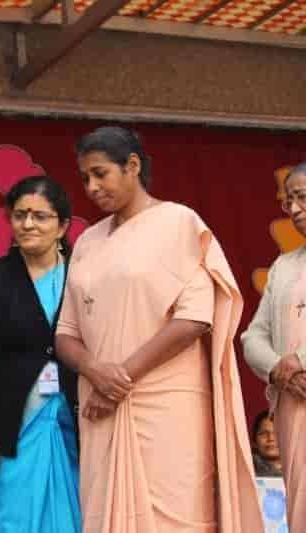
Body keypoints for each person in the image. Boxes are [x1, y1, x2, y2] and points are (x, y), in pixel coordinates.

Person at [55, 126, 262, 533]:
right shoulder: (88, 242)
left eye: (100, 174)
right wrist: (95, 372)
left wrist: (119, 379)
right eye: (85, 178)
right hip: (101, 406)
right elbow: (65, 332)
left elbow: (195, 317)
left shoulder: (179, 223)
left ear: (132, 166)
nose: (92, 187)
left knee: (176, 516)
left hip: (166, 403)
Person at [0, 176, 81, 533]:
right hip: (10, 433)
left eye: (40, 216)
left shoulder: (83, 274)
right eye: (19, 214)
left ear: (63, 226)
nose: (28, 224)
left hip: (77, 433)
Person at [242, 161, 306, 530]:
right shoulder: (284, 266)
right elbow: (253, 337)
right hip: (293, 406)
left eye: (302, 198)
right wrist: (280, 369)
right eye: (288, 201)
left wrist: (300, 360)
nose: (294, 209)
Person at [250, 410, 283, 477]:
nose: (271, 438)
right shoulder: (247, 471)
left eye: (277, 433)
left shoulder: (300, 472)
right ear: (254, 442)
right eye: (263, 434)